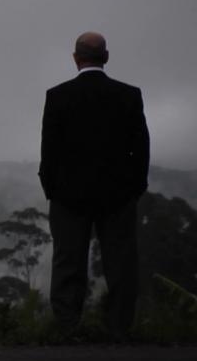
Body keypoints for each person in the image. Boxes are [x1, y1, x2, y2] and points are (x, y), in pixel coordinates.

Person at [38, 32, 149, 338]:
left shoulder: (57, 96)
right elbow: (140, 149)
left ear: (76, 58)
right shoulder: (129, 95)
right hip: (118, 195)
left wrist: (52, 189)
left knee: (68, 261)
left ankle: (66, 326)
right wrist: (134, 188)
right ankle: (119, 328)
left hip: (68, 197)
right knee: (121, 263)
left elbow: (49, 151)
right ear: (107, 57)